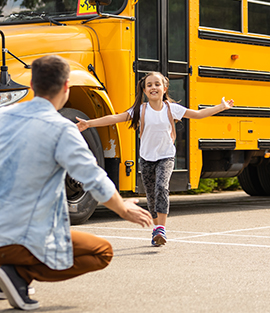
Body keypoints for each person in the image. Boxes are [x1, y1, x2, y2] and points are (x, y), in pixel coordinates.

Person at [0, 55, 152, 311]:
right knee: (101, 252)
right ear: (66, 87)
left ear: (33, 86)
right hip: (20, 233)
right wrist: (123, 208)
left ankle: (10, 274)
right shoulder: (61, 128)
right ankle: (15, 273)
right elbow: (92, 177)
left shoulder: (3, 117)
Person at [76, 71, 234, 247]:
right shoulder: (140, 110)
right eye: (149, 85)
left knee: (161, 187)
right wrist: (89, 123)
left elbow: (197, 115)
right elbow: (115, 118)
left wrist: (221, 107)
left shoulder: (171, 109)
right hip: (147, 158)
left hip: (166, 156)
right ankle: (156, 230)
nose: (153, 87)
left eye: (157, 84)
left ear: (164, 88)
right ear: (144, 90)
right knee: (151, 196)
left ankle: (161, 228)